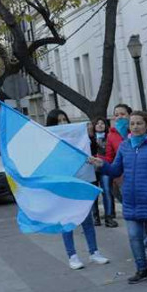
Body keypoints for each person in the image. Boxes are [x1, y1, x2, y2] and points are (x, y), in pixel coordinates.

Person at [89, 111, 147, 283]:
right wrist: (102, 165)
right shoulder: (125, 146)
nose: (135, 126)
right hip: (131, 200)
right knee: (134, 235)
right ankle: (141, 269)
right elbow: (116, 170)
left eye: (139, 123)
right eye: (132, 123)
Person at [45, 109, 110, 271]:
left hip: (80, 182)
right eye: (58, 121)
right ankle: (72, 255)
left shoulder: (78, 137)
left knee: (86, 218)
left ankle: (94, 252)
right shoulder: (48, 141)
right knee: (67, 221)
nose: (62, 124)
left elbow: (91, 150)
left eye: (64, 120)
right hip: (63, 185)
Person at [102, 103, 132, 226]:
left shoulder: (137, 130)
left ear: (129, 115)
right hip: (121, 178)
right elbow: (109, 157)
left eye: (122, 114)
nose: (119, 117)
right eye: (116, 115)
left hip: (140, 175)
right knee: (129, 209)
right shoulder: (111, 135)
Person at [91, 117, 112, 225]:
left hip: (105, 167)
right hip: (92, 168)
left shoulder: (109, 137)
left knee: (107, 191)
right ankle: (95, 217)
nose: (100, 125)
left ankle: (109, 217)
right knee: (93, 193)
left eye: (102, 123)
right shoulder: (89, 138)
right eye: (97, 123)